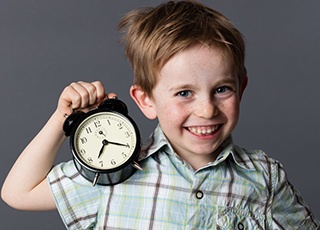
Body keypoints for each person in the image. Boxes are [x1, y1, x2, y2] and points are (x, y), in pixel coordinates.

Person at [1, 0, 319, 229]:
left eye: (222, 89)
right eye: (184, 93)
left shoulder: (264, 175)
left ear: (242, 87)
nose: (207, 109)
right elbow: (18, 193)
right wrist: (62, 120)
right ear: (146, 100)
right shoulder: (112, 173)